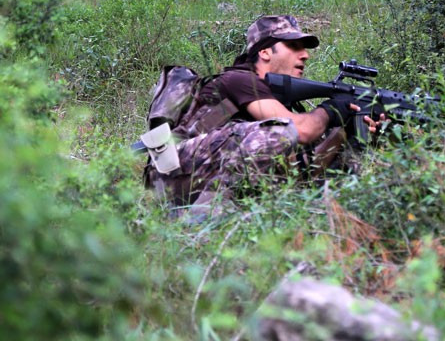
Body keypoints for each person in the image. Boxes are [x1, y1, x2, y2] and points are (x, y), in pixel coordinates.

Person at [147, 14, 382, 220]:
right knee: (279, 132)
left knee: (325, 141)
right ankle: (202, 221)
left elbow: (303, 166)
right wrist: (330, 111)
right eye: (294, 46)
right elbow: (301, 131)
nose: (305, 55)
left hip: (200, 175)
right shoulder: (240, 80)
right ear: (265, 52)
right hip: (170, 174)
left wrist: (347, 128)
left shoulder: (275, 97)